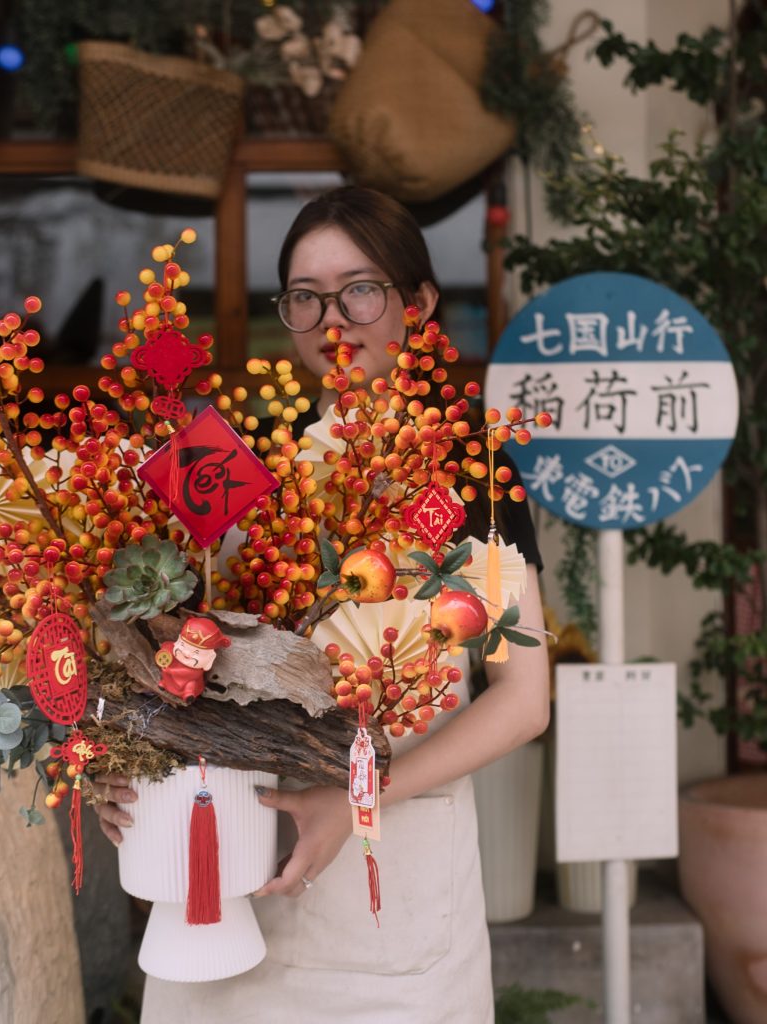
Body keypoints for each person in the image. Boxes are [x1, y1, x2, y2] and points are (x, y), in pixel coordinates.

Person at [92, 186, 550, 1022]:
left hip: (387, 887)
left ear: (419, 304)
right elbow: (165, 648)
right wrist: (120, 765)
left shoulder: (467, 468)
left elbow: (524, 702)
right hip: (225, 880)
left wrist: (358, 798)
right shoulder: (246, 461)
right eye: (306, 297)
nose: (333, 319)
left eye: (360, 290)